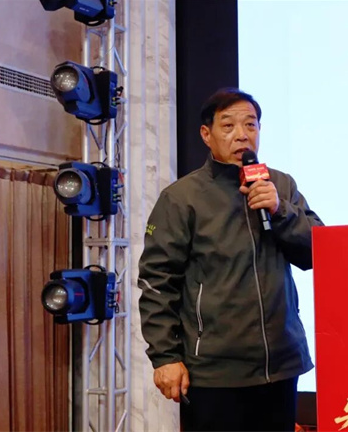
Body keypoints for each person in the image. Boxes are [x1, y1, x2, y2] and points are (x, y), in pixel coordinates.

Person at [137, 88, 324, 431]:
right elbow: (157, 282)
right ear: (206, 135)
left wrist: (280, 211)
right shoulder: (181, 198)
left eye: (250, 125)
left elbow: (318, 252)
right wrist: (165, 357)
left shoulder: (280, 185)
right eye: (228, 125)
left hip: (281, 364)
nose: (242, 134)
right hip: (214, 372)